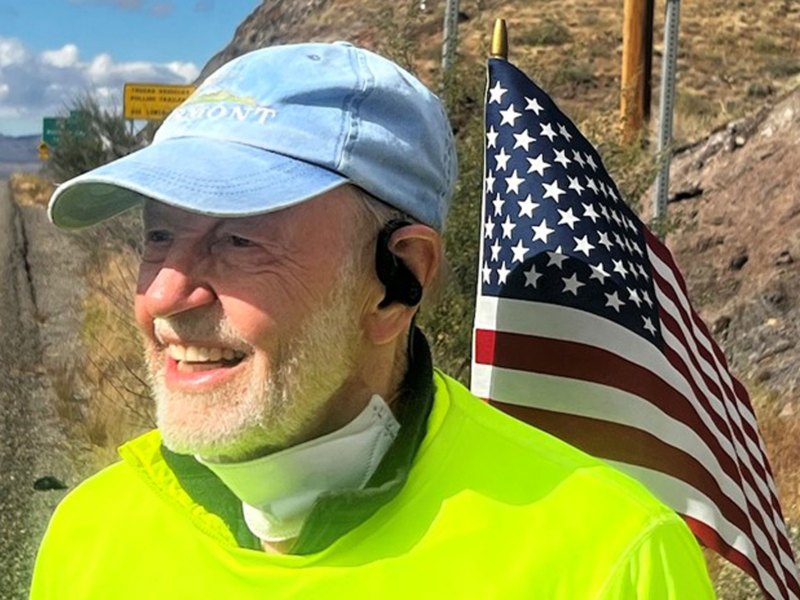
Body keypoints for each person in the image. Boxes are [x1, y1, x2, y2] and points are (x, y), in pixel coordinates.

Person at [31, 42, 715, 599]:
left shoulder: (609, 561)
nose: (168, 295)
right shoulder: (90, 535)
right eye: (158, 236)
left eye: (239, 240)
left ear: (397, 282)